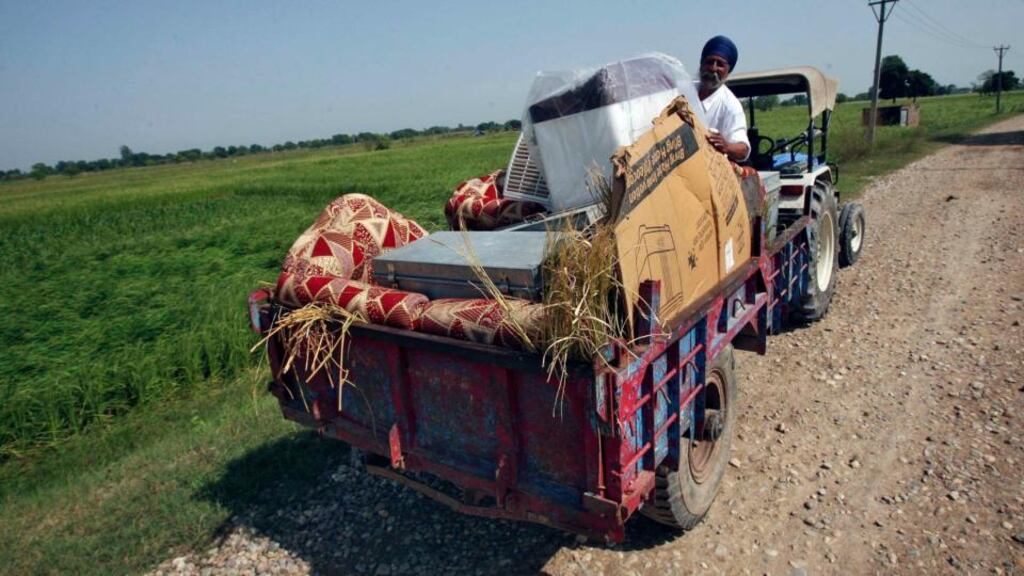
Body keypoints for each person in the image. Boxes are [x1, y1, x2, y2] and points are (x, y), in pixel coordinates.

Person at [696, 35, 750, 162]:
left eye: (720, 64)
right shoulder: (685, 90)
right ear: (701, 64)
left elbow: (744, 149)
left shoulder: (730, 105)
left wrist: (727, 146)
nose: (713, 68)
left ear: (728, 70)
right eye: (709, 62)